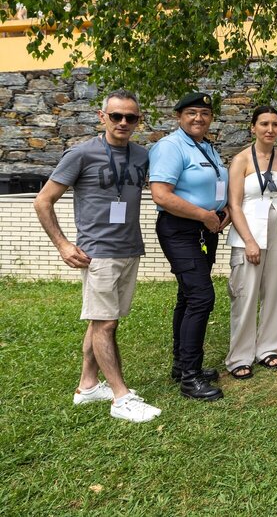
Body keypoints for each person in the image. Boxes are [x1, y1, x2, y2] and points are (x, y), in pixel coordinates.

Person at [34, 90, 161, 422]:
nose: (123, 122)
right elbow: (43, 201)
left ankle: (88, 385)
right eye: (116, 116)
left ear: (138, 121)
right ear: (102, 116)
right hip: (97, 253)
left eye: (130, 117)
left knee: (102, 320)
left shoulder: (142, 155)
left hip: (129, 248)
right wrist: (63, 245)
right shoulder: (81, 154)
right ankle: (121, 397)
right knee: (105, 323)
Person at [150, 91, 230, 401]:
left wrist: (223, 211)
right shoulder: (171, 146)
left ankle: (181, 366)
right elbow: (161, 194)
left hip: (206, 230)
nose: (199, 118)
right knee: (201, 297)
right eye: (192, 113)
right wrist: (203, 215)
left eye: (205, 113)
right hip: (180, 229)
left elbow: (214, 186)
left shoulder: (206, 146)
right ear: (179, 116)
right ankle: (190, 378)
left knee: (187, 296)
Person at [225, 106, 277, 379]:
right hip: (250, 234)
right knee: (245, 295)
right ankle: (239, 356)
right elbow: (234, 204)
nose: (270, 129)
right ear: (253, 127)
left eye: (275, 124)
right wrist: (249, 241)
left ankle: (268, 348)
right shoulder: (241, 160)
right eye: (264, 124)